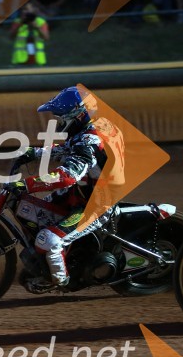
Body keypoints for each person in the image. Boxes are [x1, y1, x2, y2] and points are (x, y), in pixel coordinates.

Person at [7, 86, 111, 293]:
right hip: (79, 195)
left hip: (94, 205)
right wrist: (34, 152)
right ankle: (61, 259)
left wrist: (27, 183)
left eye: (62, 118)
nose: (60, 122)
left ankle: (60, 282)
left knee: (48, 239)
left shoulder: (91, 139)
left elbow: (67, 176)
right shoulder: (83, 133)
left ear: (79, 115)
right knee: (38, 212)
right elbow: (65, 149)